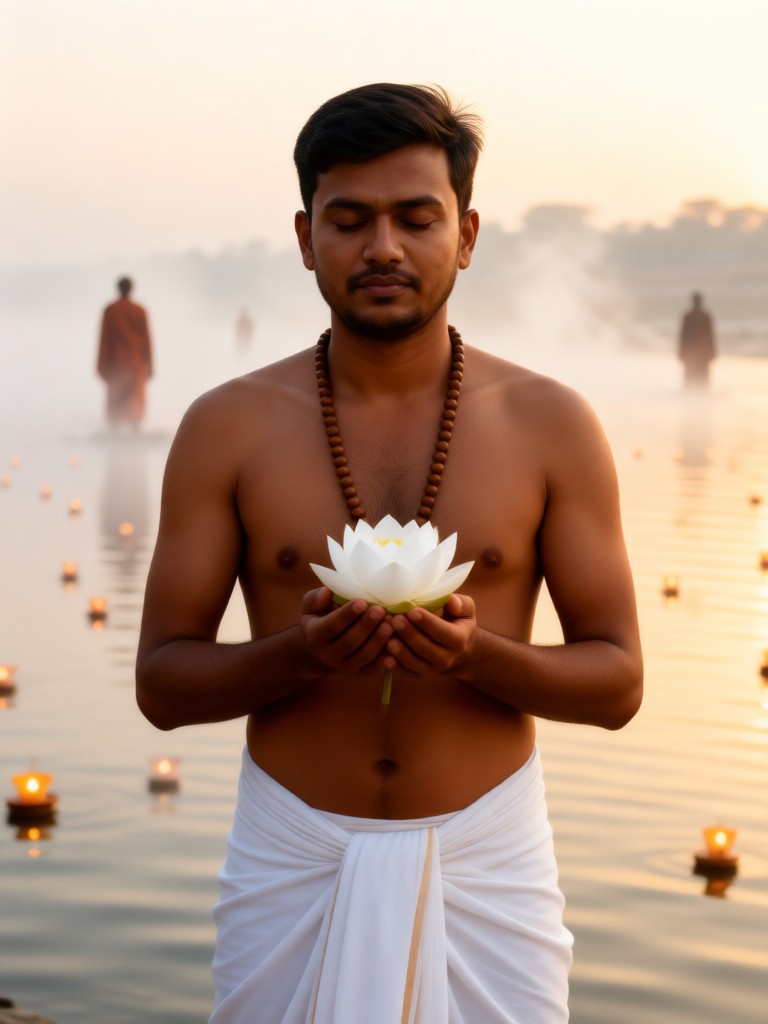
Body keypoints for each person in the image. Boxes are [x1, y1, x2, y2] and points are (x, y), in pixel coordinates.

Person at [136, 83, 643, 1023]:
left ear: (468, 234)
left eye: (417, 217)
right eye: (350, 219)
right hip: (291, 853)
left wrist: (475, 655)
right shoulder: (228, 427)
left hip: (488, 857)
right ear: (304, 238)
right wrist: (300, 654)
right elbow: (162, 687)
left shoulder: (551, 423)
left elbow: (618, 685)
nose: (383, 248)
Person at [96, 277, 153, 428]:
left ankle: (115, 438)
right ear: (131, 289)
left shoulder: (110, 310)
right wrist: (150, 365)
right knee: (134, 402)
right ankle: (135, 436)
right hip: (136, 363)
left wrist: (101, 366)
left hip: (116, 363)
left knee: (117, 400)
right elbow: (147, 341)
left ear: (118, 289)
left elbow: (104, 340)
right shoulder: (139, 310)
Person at [678, 291, 716, 389]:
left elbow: (710, 335)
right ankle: (691, 397)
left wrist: (712, 352)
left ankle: (701, 396)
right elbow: (683, 335)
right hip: (691, 353)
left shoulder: (706, 316)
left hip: (702, 353)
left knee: (702, 378)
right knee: (690, 378)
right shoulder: (688, 316)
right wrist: (681, 352)